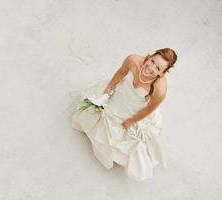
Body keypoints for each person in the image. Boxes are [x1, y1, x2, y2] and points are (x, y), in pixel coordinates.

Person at [70, 48, 178, 181]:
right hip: (121, 93)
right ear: (149, 56)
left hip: (135, 108)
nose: (150, 68)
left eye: (157, 68)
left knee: (118, 141)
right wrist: (109, 88)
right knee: (91, 112)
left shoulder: (159, 91)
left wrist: (132, 120)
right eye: (152, 61)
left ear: (161, 74)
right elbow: (121, 73)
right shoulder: (133, 60)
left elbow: (147, 110)